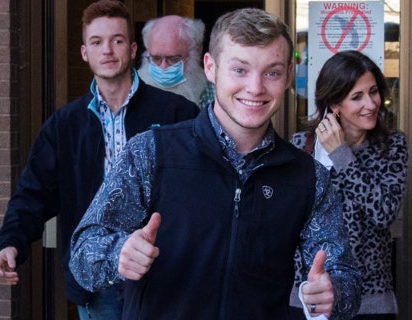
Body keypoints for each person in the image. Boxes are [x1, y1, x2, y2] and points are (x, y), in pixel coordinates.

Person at [69, 8, 361, 320]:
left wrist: (333, 293)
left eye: (271, 72)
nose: (255, 87)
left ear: (289, 75)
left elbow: (345, 278)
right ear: (211, 67)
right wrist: (119, 254)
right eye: (240, 70)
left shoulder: (308, 178)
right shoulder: (152, 153)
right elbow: (82, 255)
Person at [0, 1, 199, 319]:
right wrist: (12, 241)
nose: (107, 51)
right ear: (84, 52)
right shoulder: (65, 125)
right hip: (98, 283)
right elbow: (34, 191)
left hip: (161, 275)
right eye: (96, 42)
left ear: (132, 50)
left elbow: (200, 192)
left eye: (116, 40)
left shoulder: (176, 114)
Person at [289, 50, 409, 320]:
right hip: (307, 300)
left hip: (369, 301)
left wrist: (341, 154)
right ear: (334, 103)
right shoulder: (301, 146)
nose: (371, 103)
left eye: (374, 91)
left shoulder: (391, 147)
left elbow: (383, 213)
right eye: (357, 97)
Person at [138, 15, 215, 108]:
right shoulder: (130, 92)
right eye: (156, 58)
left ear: (196, 53)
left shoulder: (214, 97)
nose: (163, 67)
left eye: (173, 59)